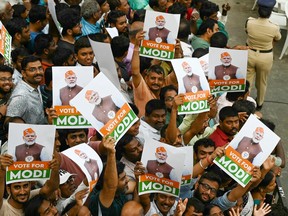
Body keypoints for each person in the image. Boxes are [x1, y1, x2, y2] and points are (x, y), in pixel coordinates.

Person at [245, 0, 281, 110]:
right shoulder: (274, 27)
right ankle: (259, 103)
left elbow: (246, 32)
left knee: (247, 80)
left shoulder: (249, 22)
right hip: (265, 56)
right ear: (270, 12)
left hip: (249, 53)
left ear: (258, 10)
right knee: (262, 82)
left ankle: (245, 100)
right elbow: (277, 39)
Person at [6, 55, 47, 124]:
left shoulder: (35, 85)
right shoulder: (21, 96)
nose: (38, 72)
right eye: (32, 70)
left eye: (40, 68)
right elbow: (9, 124)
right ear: (23, 73)